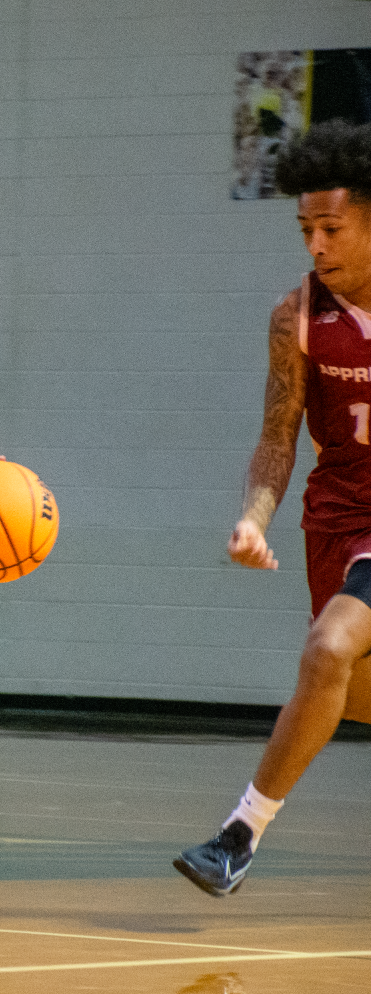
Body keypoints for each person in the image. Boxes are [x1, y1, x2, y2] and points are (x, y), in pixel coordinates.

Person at [176, 120, 371, 896]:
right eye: (305, 229)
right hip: (336, 519)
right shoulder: (296, 318)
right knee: (345, 693)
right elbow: (276, 440)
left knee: (328, 650)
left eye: (332, 226)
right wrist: (253, 516)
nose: (316, 243)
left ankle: (238, 835)